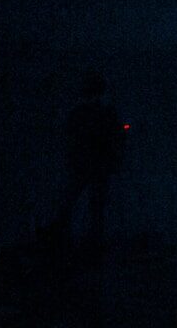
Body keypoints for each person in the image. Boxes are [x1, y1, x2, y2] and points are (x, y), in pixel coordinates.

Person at [54, 70, 126, 256]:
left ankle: (78, 242)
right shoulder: (100, 112)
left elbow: (71, 137)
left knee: (83, 203)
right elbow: (115, 137)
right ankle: (79, 241)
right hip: (93, 164)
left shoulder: (84, 113)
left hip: (89, 164)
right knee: (90, 205)